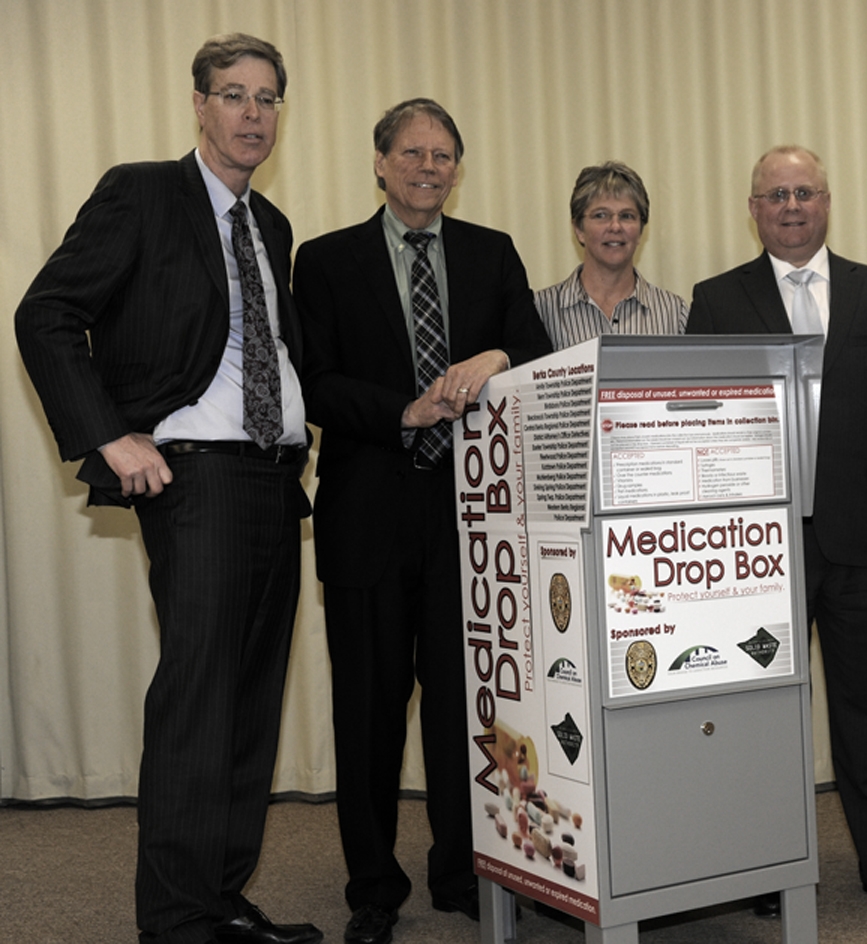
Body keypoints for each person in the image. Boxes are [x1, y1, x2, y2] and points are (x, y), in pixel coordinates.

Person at [14, 33, 320, 944]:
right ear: (199, 105)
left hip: (275, 482)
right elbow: (47, 313)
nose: (252, 114)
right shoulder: (141, 192)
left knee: (253, 702)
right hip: (199, 481)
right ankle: (180, 922)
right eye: (234, 95)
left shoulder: (271, 226)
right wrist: (108, 435)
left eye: (268, 98)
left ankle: (221, 898)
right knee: (200, 699)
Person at [293, 99, 551, 944]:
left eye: (443, 154)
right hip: (366, 515)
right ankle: (374, 885)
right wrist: (403, 411)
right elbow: (316, 382)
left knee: (460, 707)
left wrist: (497, 356)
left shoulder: (492, 252)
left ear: (457, 168)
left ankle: (459, 870)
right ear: (380, 162)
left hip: (471, 525)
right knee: (367, 711)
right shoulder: (326, 260)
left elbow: (539, 352)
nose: (427, 166)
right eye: (411, 152)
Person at [687, 146, 867, 916]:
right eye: (775, 195)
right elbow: (699, 423)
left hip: (866, 539)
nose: (791, 206)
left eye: (804, 192)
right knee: (760, 716)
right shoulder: (717, 299)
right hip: (756, 550)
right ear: (754, 209)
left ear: (826, 201)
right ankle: (761, 867)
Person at [534, 161, 687, 348]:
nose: (615, 226)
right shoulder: (540, 311)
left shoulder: (674, 313)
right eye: (601, 215)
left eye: (627, 216)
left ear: (640, 230)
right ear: (578, 229)